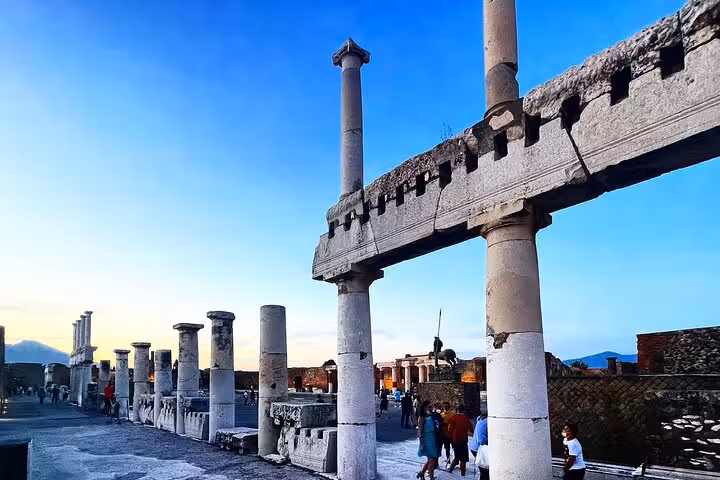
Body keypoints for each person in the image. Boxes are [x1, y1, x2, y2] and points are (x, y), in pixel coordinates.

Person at [448, 404, 473, 476]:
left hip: (456, 441)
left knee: (457, 457)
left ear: (457, 410)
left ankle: (450, 469)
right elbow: (471, 430)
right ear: (463, 411)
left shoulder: (453, 418)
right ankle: (463, 474)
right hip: (464, 441)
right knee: (463, 460)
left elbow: (449, 430)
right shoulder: (466, 419)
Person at [417, 401, 439, 480]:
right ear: (424, 408)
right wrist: (421, 443)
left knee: (430, 460)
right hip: (426, 440)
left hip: (432, 439)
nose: (430, 408)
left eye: (431, 406)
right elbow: (419, 432)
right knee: (432, 460)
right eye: (428, 406)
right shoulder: (422, 418)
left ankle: (422, 473)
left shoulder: (431, 416)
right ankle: (431, 478)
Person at [469, 409, 489, 480]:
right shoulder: (483, 423)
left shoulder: (485, 422)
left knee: (486, 471)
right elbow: (481, 440)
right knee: (485, 471)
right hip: (478, 449)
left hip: (483, 448)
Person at [440, 402, 455, 468]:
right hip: (445, 435)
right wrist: (443, 424)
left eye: (447, 406)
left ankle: (456, 461)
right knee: (447, 449)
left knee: (455, 448)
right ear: (443, 407)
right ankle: (448, 462)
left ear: (449, 407)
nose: (446, 407)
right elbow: (439, 424)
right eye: (445, 406)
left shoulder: (452, 414)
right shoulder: (441, 415)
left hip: (452, 435)